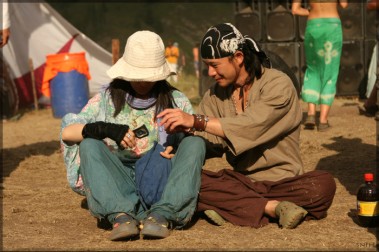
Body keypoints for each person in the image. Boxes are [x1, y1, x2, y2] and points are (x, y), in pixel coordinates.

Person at [157, 23, 336, 229]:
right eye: (207, 65)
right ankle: (271, 208)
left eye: (215, 65)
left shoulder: (278, 84)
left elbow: (251, 125)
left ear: (239, 57)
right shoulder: (214, 96)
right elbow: (213, 142)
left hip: (284, 183)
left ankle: (233, 206)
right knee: (188, 177)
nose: (210, 72)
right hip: (241, 182)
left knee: (323, 184)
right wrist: (181, 146)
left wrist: (197, 121)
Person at [60, 31, 205, 241]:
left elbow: (189, 148)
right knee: (88, 144)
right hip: (117, 179)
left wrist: (177, 144)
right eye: (138, 75)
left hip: (161, 179)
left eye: (149, 77)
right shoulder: (106, 99)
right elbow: (68, 131)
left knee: (195, 143)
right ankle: (120, 215)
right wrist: (103, 129)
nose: (143, 82)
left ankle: (164, 214)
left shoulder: (176, 100)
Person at [292, 0, 348, 131]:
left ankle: (311, 114)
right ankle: (323, 121)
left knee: (313, 69)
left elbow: (295, 9)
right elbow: (344, 4)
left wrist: (310, 10)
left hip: (314, 25)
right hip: (332, 26)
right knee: (330, 71)